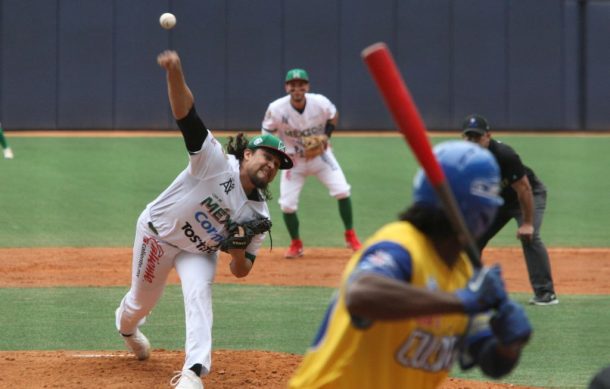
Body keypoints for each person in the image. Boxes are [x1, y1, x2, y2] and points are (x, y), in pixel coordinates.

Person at [115, 50, 293, 389]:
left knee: (199, 293)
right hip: (158, 233)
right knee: (141, 301)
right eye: (267, 157)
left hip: (198, 251)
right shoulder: (213, 161)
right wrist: (175, 72)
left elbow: (241, 270)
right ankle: (126, 328)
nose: (271, 166)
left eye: (277, 165)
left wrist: (238, 250)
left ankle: (193, 372)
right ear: (248, 154)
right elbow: (186, 114)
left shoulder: (258, 214)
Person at [288, 141, 532, 388]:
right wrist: (462, 301)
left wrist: (509, 344)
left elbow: (491, 361)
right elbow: (361, 295)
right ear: (480, 210)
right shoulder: (401, 244)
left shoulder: (465, 272)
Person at [261, 68, 362, 258]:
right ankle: (296, 244)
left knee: (342, 191)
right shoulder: (276, 108)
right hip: (293, 161)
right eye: (293, 85)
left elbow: (333, 115)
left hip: (320, 157)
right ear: (287, 87)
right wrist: (279, 153)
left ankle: (350, 235)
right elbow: (266, 132)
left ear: (307, 86)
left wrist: (326, 136)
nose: (297, 88)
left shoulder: (320, 102)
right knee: (287, 205)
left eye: (301, 84)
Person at [461, 114, 558, 306]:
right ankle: (470, 287)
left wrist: (528, 223)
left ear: (488, 136)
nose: (473, 142)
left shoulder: (505, 155)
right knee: (472, 238)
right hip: (496, 200)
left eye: (477, 137)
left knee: (529, 236)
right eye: (469, 137)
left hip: (527, 196)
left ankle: (546, 294)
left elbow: (524, 188)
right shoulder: (464, 158)